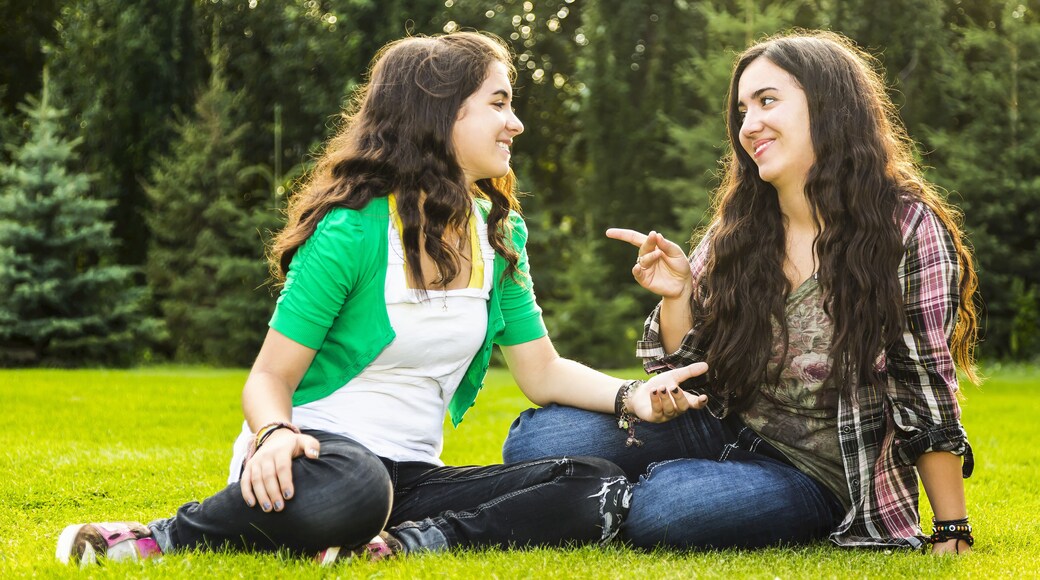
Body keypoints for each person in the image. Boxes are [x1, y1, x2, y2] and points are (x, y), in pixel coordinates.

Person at [55, 31, 711, 567]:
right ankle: (160, 536)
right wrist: (276, 435)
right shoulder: (354, 227)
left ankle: (407, 543)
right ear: (442, 110)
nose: (515, 122)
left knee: (591, 480)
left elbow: (541, 372)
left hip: (411, 481)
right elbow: (268, 380)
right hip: (314, 460)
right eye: (499, 103)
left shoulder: (500, 232)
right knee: (356, 486)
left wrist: (633, 396)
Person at [503, 30, 979, 555]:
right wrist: (677, 295)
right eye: (742, 110)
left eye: (768, 101)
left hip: (816, 470)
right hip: (723, 424)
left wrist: (950, 526)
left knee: (668, 510)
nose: (749, 126)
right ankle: (661, 480)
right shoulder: (744, 223)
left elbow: (924, 383)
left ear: (830, 105)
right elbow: (682, 370)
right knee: (536, 440)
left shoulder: (905, 228)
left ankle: (645, 488)